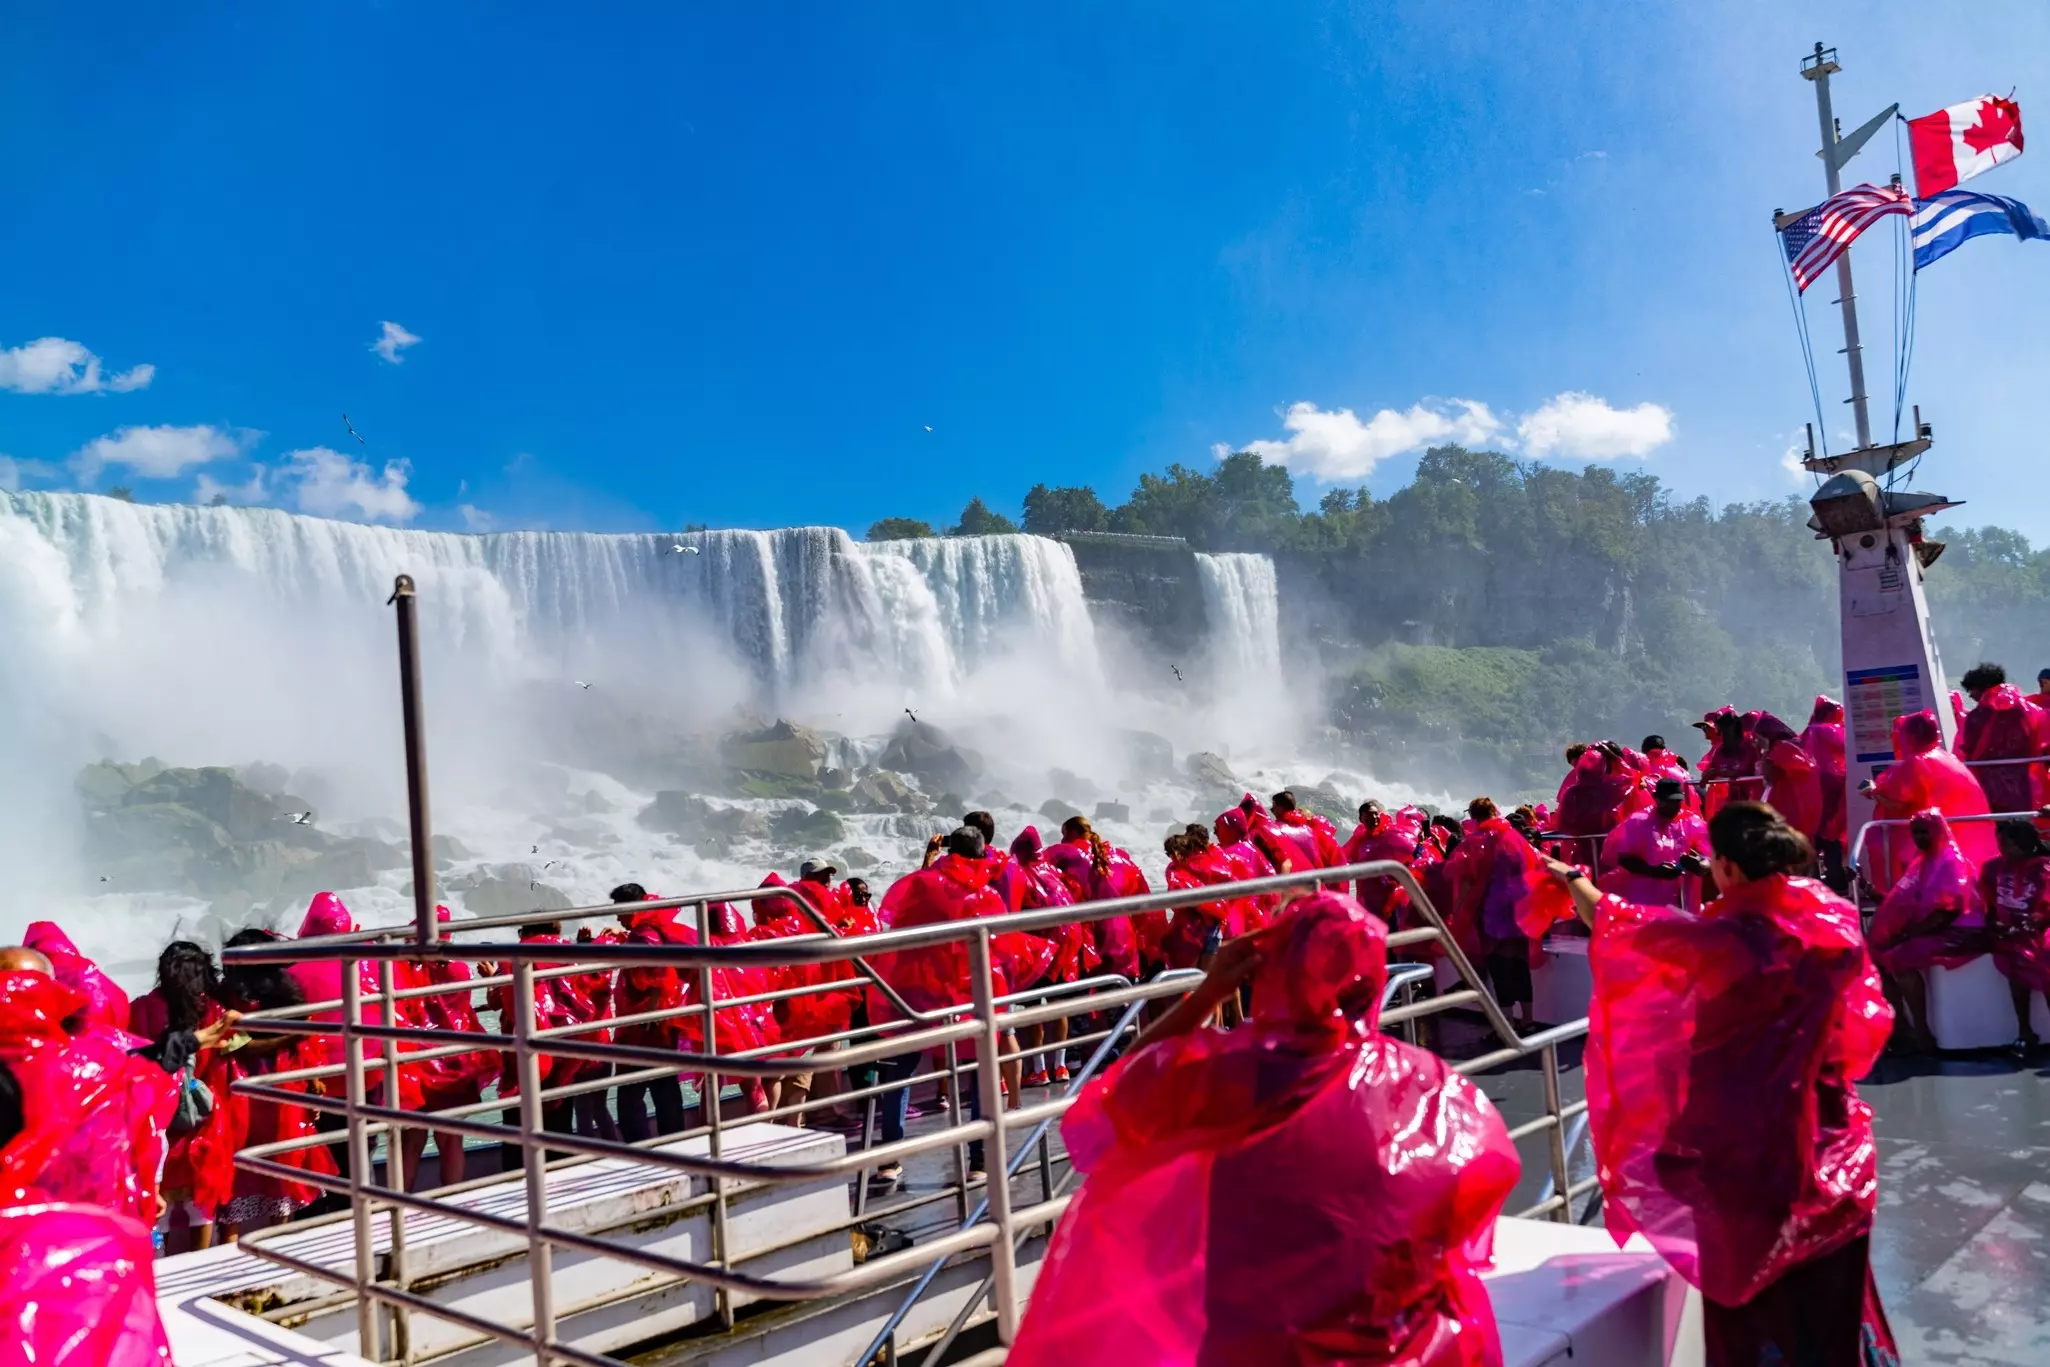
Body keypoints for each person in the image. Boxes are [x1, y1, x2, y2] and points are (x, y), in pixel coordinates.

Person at [1005, 892, 1520, 1367]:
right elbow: (1481, 1183)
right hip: (1387, 1342)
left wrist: (1208, 994)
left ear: (1275, 971)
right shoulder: (1424, 1081)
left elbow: (1107, 1109)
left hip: (1247, 1338)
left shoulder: (1230, 1075)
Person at [1542, 802, 1897, 1366]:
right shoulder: (1830, 924)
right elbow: (1863, 1031)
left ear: (1727, 866)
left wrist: (1574, 879)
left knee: (1751, 1298)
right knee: (1831, 1302)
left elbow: (1616, 923)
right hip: (1831, 1141)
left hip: (1738, 1151)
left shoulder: (1717, 941)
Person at [216, 927, 335, 1237]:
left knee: (257, 1166)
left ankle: (245, 1248)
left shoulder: (234, 992)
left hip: (255, 1084)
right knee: (269, 1165)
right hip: (264, 1084)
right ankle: (261, 1247)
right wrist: (293, 1041)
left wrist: (312, 1078)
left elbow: (239, 1044)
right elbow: (236, 1044)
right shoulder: (273, 990)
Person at [127, 940, 238, 1251]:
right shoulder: (213, 1012)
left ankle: (157, 1260)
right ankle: (201, 1267)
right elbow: (221, 1066)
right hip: (202, 1116)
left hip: (156, 1117)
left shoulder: (139, 1009)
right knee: (202, 1203)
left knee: (154, 1202)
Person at [395, 907, 499, 1189]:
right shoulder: (458, 967)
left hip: (414, 1062)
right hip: (455, 1062)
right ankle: (452, 1199)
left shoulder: (403, 968)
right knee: (451, 1139)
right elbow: (461, 1009)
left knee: (410, 1141)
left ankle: (401, 1202)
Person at [1868, 810, 1986, 1054]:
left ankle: (1922, 1033)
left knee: (1900, 958)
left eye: (1924, 832)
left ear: (1938, 831)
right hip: (1935, 929)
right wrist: (1867, 889)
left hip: (1961, 932)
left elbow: (1949, 912)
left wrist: (1909, 934)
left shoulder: (1951, 862)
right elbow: (1905, 902)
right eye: (1915, 832)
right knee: (1877, 957)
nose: (1919, 837)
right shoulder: (1923, 862)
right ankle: (1899, 1028)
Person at [1866, 709, 1997, 884]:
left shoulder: (1917, 762)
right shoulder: (1947, 757)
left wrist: (1872, 791)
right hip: (1967, 836)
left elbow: (1897, 803)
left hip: (1942, 840)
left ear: (1909, 737)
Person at [1977, 819, 2050, 1056]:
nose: (2003, 849)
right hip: (2010, 932)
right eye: (2000, 843)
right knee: (2014, 957)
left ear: (2025, 844)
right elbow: (1986, 904)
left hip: (2042, 927)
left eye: (2008, 844)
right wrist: (1993, 923)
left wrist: (2039, 919)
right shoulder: (1992, 868)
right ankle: (2025, 1031)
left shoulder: (2045, 867)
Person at [1601, 778, 1712, 909]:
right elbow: (1624, 859)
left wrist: (1700, 865)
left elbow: (1710, 857)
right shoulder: (1638, 822)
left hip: (1683, 901)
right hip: (1646, 900)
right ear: (1656, 799)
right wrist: (1655, 871)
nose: (1674, 806)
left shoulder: (1691, 823)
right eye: (1668, 801)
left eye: (1677, 801)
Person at [1955, 663, 2049, 817]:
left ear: (1983, 687)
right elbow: (2043, 740)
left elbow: (1968, 750)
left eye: (1972, 689)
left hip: (1989, 783)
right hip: (2023, 782)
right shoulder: (2026, 709)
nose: (1971, 695)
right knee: (2022, 828)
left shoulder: (1976, 717)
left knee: (1998, 828)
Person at [1800, 697, 1850, 889]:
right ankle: (1836, 880)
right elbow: (1847, 748)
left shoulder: (1809, 732)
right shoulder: (1830, 730)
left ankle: (1813, 882)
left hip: (1812, 789)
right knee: (1832, 835)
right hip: (1834, 787)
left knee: (1814, 836)